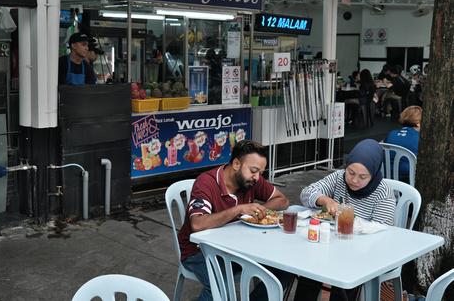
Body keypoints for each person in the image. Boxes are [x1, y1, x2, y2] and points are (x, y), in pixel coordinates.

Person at [177, 140, 291, 301]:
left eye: (261, 172)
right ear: (236, 164)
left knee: (282, 270)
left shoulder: (251, 180)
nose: (257, 177)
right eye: (253, 171)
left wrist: (260, 209)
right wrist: (239, 209)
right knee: (220, 285)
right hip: (198, 251)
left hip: (238, 248)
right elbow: (197, 224)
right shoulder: (206, 182)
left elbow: (282, 200)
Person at [293, 139, 396, 301]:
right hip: (332, 245)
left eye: (363, 176)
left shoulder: (383, 193)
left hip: (362, 253)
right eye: (351, 172)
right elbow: (306, 193)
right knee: (311, 266)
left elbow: (381, 233)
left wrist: (354, 228)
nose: (354, 180)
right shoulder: (339, 178)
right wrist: (326, 200)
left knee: (348, 274)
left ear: (374, 173)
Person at [382, 105, 421, 184]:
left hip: (386, 176)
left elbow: (379, 146)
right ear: (418, 123)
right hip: (409, 178)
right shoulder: (420, 138)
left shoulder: (392, 134)